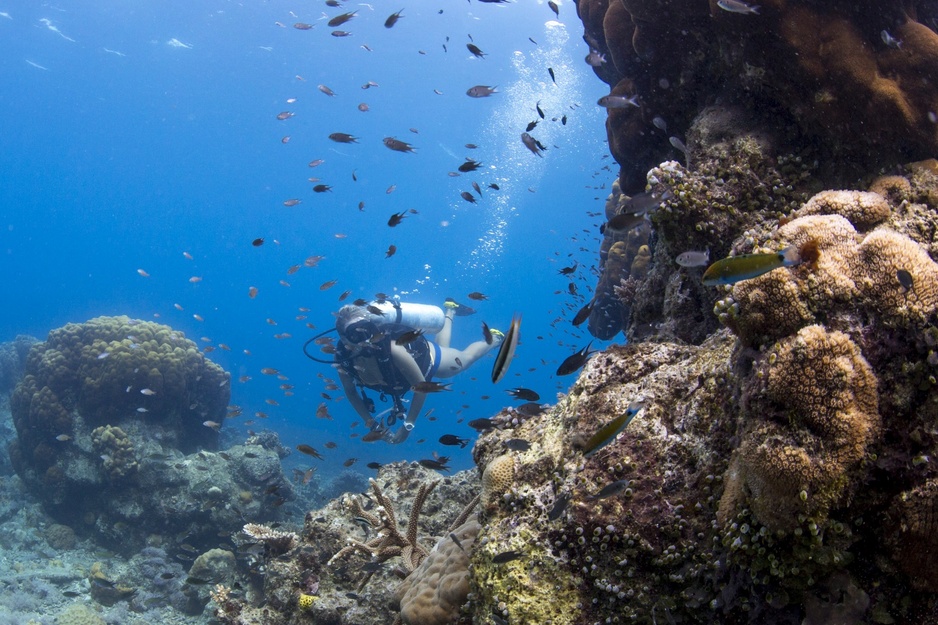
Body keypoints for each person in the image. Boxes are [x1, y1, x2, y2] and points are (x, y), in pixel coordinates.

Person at [333, 298, 502, 443]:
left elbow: (422, 387)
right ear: (342, 337)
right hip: (409, 371)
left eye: (365, 331)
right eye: (355, 334)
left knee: (463, 360)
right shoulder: (342, 359)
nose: (365, 339)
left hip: (431, 360)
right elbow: (351, 392)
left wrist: (408, 425)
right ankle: (451, 311)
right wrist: (371, 422)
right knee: (444, 347)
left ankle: (495, 339)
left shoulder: (392, 349)